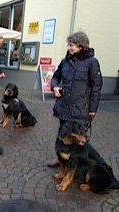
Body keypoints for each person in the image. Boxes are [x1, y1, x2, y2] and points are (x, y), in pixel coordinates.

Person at [47, 31, 103, 167]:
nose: (69, 47)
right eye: (69, 44)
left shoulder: (91, 62)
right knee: (63, 135)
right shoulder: (65, 61)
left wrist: (92, 109)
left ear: (80, 46)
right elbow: (56, 77)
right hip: (64, 106)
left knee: (78, 138)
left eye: (71, 45)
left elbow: (96, 86)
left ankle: (77, 164)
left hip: (80, 108)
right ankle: (60, 158)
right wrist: (54, 87)